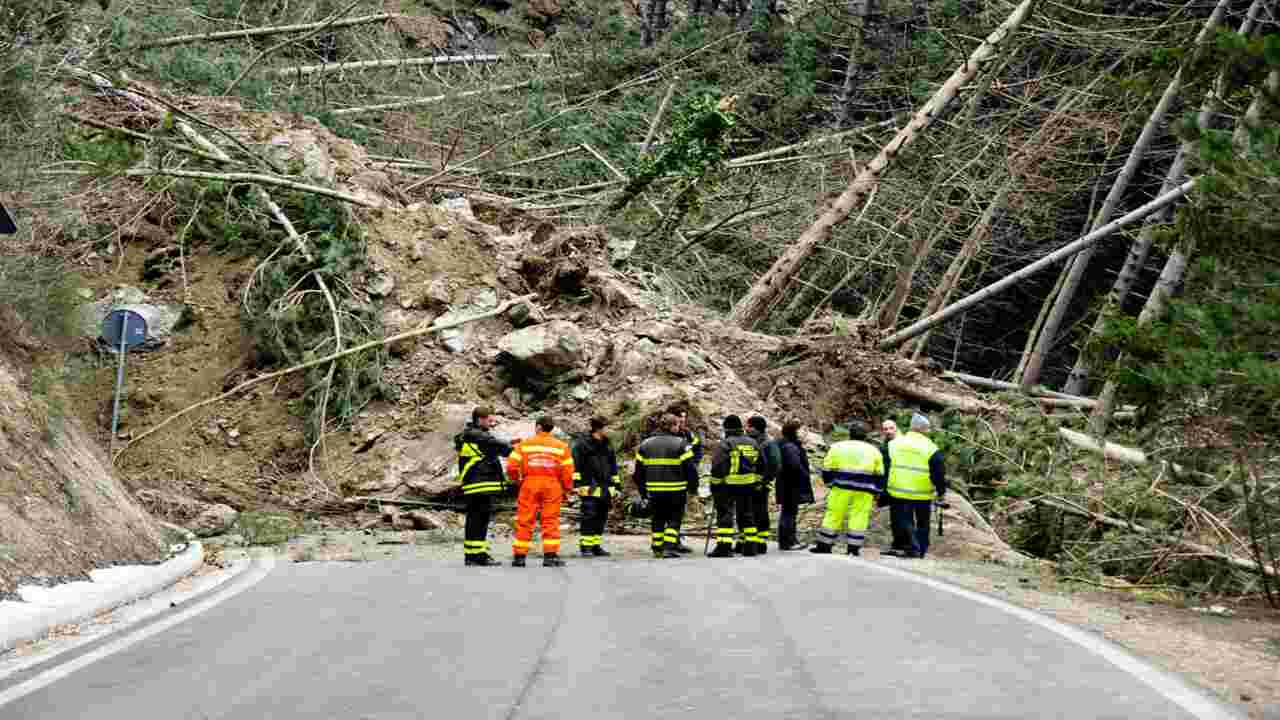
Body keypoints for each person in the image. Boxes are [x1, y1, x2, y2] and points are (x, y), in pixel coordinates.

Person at [507, 416, 575, 567]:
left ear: (538, 427)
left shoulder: (524, 445)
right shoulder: (561, 447)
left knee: (525, 520)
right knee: (550, 520)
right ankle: (550, 556)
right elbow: (568, 472)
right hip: (552, 485)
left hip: (529, 484)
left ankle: (519, 557)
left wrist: (518, 480)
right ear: (551, 428)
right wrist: (566, 488)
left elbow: (511, 467)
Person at [811, 420, 884, 556]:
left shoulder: (837, 447)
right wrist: (878, 491)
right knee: (859, 516)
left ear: (850, 433)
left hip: (841, 486)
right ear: (866, 435)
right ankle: (853, 548)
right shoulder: (874, 451)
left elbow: (826, 467)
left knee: (834, 514)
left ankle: (824, 545)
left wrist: (829, 482)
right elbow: (880, 473)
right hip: (865, 489)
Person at [633, 414, 699, 558]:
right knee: (674, 518)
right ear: (672, 426)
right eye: (677, 425)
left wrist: (643, 492)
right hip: (676, 489)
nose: (679, 427)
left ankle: (657, 546)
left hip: (654, 490)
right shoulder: (682, 444)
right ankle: (669, 547)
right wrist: (693, 487)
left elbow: (638, 473)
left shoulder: (645, 444)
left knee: (658, 517)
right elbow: (690, 469)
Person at [455, 406, 514, 566]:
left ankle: (473, 554)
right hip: (479, 484)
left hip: (474, 483)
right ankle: (477, 556)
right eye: (489, 419)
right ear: (480, 419)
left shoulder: (469, 435)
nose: (492, 422)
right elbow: (499, 447)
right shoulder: (476, 435)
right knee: (479, 520)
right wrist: (513, 447)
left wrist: (507, 444)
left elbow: (491, 448)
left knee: (476, 519)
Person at [884, 413, 946, 559]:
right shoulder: (931, 448)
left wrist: (883, 489)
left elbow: (885, 467)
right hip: (923, 493)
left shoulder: (894, 444)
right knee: (923, 523)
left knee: (904, 520)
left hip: (898, 491)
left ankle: (910, 547)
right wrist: (941, 492)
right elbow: (939, 473)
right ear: (925, 430)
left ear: (911, 428)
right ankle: (921, 549)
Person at [708, 415, 762, 557]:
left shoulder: (725, 444)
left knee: (725, 514)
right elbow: (762, 464)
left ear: (726, 428)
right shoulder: (753, 443)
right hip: (748, 486)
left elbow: (718, 467)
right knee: (747, 515)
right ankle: (750, 547)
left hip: (728, 485)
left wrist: (715, 484)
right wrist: (757, 482)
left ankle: (724, 547)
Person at [572, 416, 620, 557]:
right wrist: (577, 485)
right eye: (608, 428)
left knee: (601, 516)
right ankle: (586, 547)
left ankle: (595, 545)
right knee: (589, 516)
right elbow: (576, 466)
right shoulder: (582, 445)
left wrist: (617, 486)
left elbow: (613, 468)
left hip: (605, 488)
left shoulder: (607, 445)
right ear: (599, 428)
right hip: (589, 487)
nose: (610, 431)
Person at [775, 419, 815, 550]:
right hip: (791, 485)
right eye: (801, 430)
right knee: (789, 512)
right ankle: (788, 542)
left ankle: (787, 540)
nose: (804, 433)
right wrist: (805, 475)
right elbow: (795, 466)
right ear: (794, 432)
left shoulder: (784, 444)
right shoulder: (790, 446)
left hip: (786, 483)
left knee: (788, 512)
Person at [747, 415, 779, 554]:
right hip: (749, 484)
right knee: (749, 513)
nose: (746, 429)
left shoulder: (768, 443)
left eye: (749, 426)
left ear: (756, 428)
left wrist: (764, 481)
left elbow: (775, 465)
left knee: (760, 513)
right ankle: (749, 542)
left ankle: (761, 543)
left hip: (760, 485)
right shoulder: (751, 441)